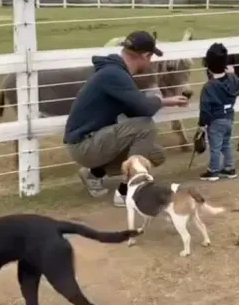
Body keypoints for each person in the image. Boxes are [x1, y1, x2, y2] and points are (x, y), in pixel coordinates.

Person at [64, 30, 188, 206]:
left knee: (155, 154)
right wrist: (160, 101)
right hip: (84, 144)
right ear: (145, 55)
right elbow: (143, 110)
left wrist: (166, 101)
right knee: (145, 125)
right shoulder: (115, 75)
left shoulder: (116, 72)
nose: (150, 62)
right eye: (151, 58)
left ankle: (94, 173)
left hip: (91, 141)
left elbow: (134, 110)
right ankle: (126, 192)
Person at [197, 42, 239, 181]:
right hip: (229, 118)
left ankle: (213, 171)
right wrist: (233, 74)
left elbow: (205, 108)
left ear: (208, 66)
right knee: (226, 144)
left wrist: (202, 124)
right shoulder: (233, 81)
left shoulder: (209, 87)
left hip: (216, 121)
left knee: (215, 147)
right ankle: (230, 168)